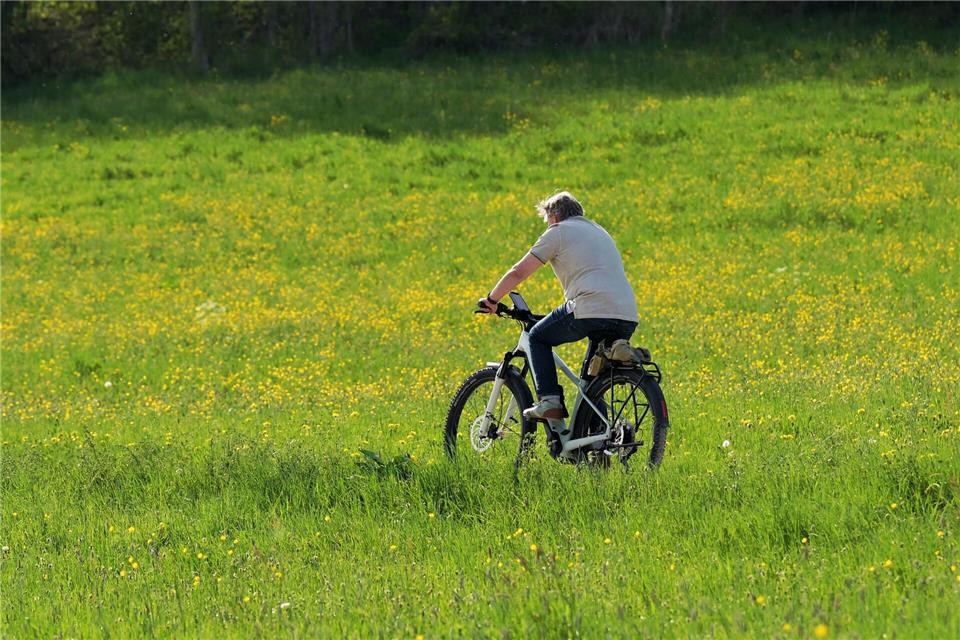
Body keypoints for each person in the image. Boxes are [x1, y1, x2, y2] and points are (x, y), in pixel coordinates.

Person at [478, 191, 639, 444]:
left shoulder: (559, 231)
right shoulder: (599, 231)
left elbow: (518, 272)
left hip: (589, 307)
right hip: (626, 314)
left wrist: (492, 299)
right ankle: (596, 443)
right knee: (592, 381)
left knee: (537, 336)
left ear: (553, 216)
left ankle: (549, 401)